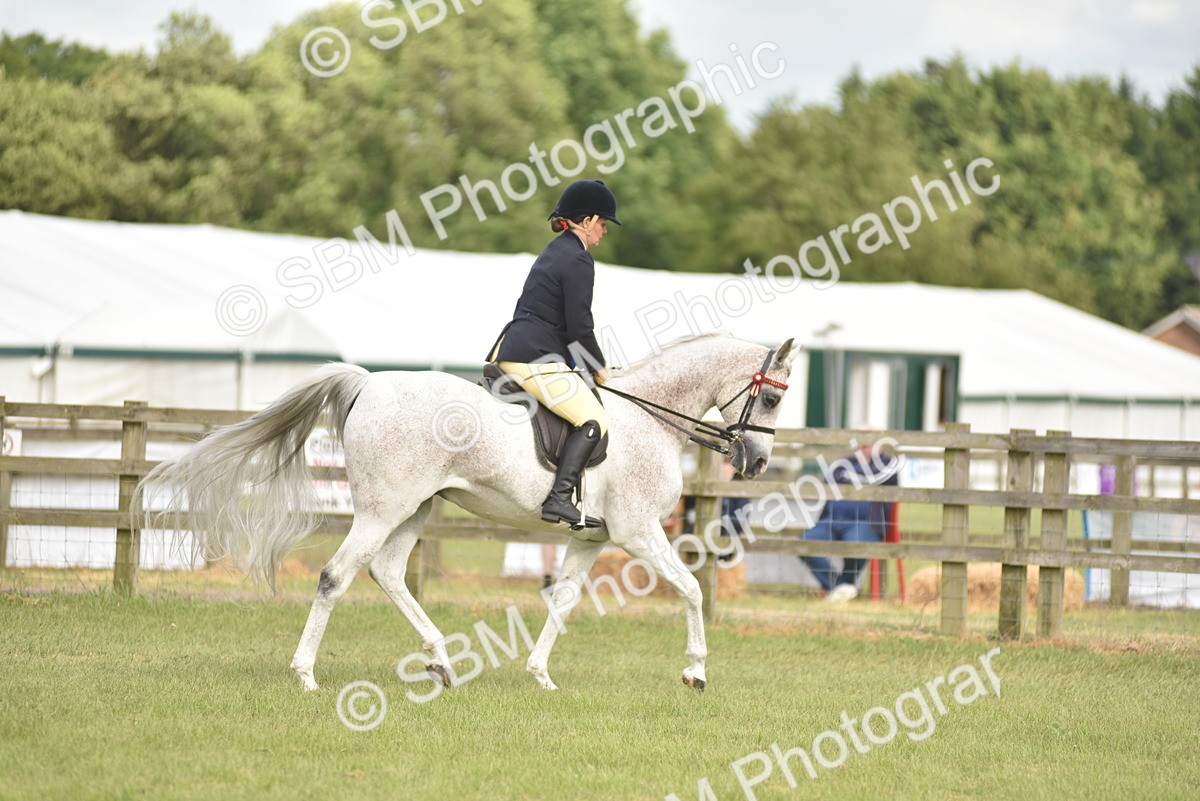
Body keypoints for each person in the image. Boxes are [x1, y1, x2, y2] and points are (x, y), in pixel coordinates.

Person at [486, 179, 620, 529]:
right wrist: (600, 371)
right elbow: (579, 328)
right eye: (603, 224)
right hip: (535, 358)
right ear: (588, 221)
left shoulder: (555, 249)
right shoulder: (578, 259)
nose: (604, 232)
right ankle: (559, 498)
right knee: (595, 421)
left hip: (519, 349)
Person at [799, 443, 899, 602]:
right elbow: (827, 480)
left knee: (856, 543)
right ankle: (839, 587)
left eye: (868, 444)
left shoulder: (888, 463)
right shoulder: (843, 463)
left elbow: (876, 479)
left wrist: (849, 477)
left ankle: (843, 586)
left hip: (867, 523)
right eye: (861, 443)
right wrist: (855, 477)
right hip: (832, 520)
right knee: (804, 542)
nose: (863, 447)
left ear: (879, 446)